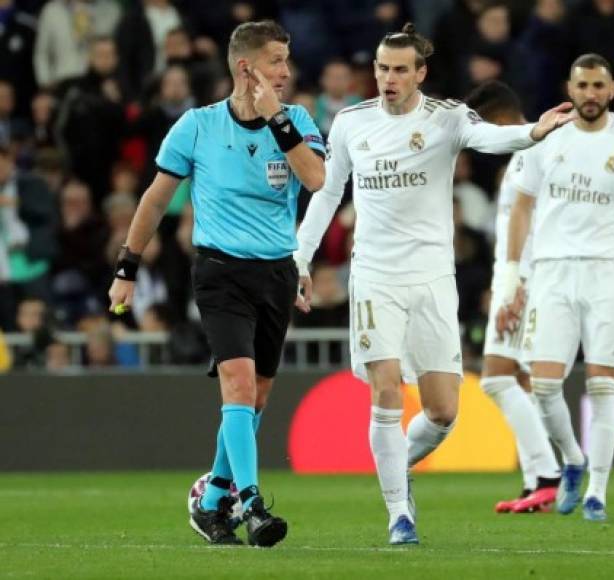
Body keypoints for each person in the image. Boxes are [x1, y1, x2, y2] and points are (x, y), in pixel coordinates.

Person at [293, 23, 574, 545]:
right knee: (386, 390)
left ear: (420, 73)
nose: (389, 78)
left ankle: (397, 467)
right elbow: (328, 193)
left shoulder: (446, 118)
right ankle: (399, 514)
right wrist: (301, 258)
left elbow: (489, 137)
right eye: (381, 68)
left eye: (400, 69)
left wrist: (533, 131)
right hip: (376, 276)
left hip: (433, 277)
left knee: (443, 412)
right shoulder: (352, 123)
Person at [107, 20, 326, 546]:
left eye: (287, 60)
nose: (287, 70)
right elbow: (155, 199)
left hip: (276, 271)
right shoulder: (196, 127)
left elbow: (316, 179)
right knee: (239, 384)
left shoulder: (295, 119)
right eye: (277, 60)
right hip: (219, 270)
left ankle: (210, 500)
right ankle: (249, 503)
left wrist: (277, 120)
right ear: (246, 67)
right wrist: (127, 268)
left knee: (258, 397)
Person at [500, 53, 614, 523]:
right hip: (552, 271)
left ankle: (598, 491)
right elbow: (520, 208)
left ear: (612, 89)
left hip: (607, 273)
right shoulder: (545, 139)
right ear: (570, 89)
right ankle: (573, 460)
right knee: (545, 385)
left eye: (598, 85)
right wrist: (514, 276)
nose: (590, 94)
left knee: (602, 386)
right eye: (583, 85)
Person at [464, 80, 561, 514]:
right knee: (521, 382)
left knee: (497, 379)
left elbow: (540, 233)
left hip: (531, 283)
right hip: (519, 280)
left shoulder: (536, 153)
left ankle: (548, 474)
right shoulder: (522, 160)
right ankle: (534, 484)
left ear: (498, 120)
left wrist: (516, 288)